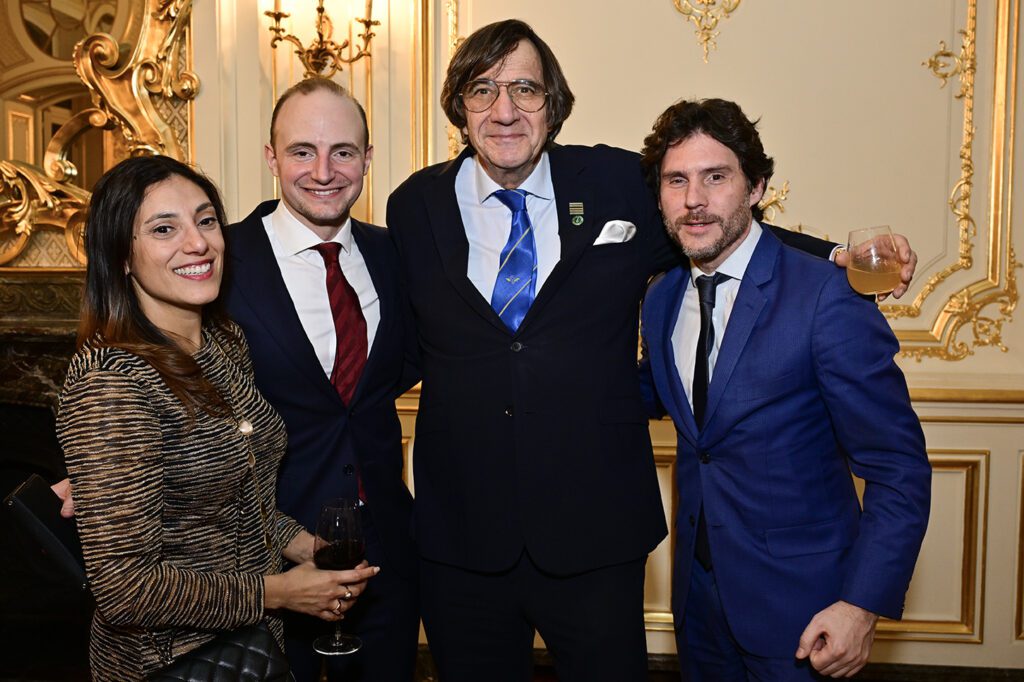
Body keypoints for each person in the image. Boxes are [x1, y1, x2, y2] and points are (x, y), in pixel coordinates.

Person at [386, 18, 916, 682]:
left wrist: (837, 255)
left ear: (552, 103)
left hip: (598, 532)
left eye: (525, 88)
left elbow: (720, 222)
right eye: (482, 88)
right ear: (459, 106)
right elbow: (396, 337)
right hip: (461, 537)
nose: (505, 110)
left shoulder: (615, 181)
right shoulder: (415, 206)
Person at [637, 98, 931, 680]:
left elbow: (898, 467)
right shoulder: (662, 297)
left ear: (756, 188)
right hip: (699, 609)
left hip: (807, 611)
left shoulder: (828, 295)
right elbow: (672, 406)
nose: (694, 199)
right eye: (677, 180)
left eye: (715, 177)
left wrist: (860, 606)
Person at [55, 155, 377, 681]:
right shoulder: (112, 381)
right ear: (121, 257)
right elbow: (123, 587)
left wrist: (304, 546)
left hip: (252, 649)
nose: (198, 243)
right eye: (164, 229)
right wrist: (276, 592)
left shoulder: (223, 343)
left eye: (206, 221)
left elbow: (239, 497)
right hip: (168, 662)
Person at [222, 78, 419, 681]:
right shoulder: (220, 261)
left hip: (385, 551)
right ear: (271, 157)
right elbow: (164, 373)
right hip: (267, 550)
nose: (324, 172)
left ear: (367, 158)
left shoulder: (397, 256)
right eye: (302, 151)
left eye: (344, 152)